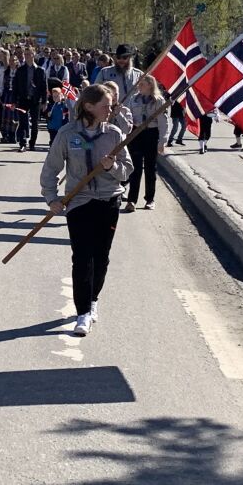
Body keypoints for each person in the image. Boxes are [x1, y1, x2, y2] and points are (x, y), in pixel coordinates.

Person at [40, 84, 134, 336]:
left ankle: (93, 300)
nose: (110, 109)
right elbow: (51, 169)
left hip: (108, 202)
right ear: (89, 106)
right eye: (105, 105)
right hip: (79, 202)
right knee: (82, 258)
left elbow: (127, 171)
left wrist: (111, 167)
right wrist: (52, 198)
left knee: (101, 257)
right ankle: (82, 312)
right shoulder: (67, 133)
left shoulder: (113, 134)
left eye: (111, 105)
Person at [124, 75, 169, 212]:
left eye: (142, 84)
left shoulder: (158, 101)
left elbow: (163, 123)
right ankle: (131, 200)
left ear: (150, 85)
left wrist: (162, 142)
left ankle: (150, 199)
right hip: (136, 135)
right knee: (135, 169)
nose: (139, 86)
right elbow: (129, 118)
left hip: (151, 134)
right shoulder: (134, 99)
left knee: (150, 169)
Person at [13, 47, 47, 152]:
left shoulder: (40, 70)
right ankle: (22, 144)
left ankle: (32, 143)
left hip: (35, 100)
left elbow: (44, 87)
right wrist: (14, 101)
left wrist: (45, 101)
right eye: (25, 54)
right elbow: (15, 86)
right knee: (23, 122)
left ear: (33, 55)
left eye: (29, 54)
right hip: (23, 99)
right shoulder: (20, 70)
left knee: (35, 123)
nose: (27, 56)